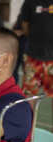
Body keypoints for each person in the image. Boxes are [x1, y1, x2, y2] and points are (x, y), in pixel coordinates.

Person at [21, 0, 53, 131]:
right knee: (29, 94)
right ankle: (27, 129)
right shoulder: (30, 2)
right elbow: (25, 25)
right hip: (33, 57)